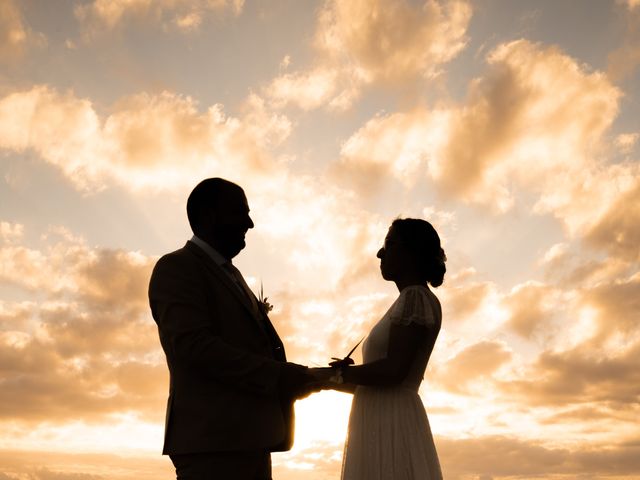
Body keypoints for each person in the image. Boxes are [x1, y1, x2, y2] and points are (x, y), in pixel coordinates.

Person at [148, 177, 317, 480]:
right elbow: (193, 347)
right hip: (212, 445)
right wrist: (279, 376)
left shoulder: (231, 274)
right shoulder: (177, 268)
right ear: (209, 215)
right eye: (240, 212)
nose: (250, 224)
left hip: (251, 440)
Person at [312, 218, 446, 480]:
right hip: (382, 416)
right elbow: (379, 380)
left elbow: (394, 372)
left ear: (411, 251)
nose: (380, 253)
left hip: (392, 423)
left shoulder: (414, 298)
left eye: (389, 244)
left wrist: (328, 376)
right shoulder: (409, 300)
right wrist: (328, 381)